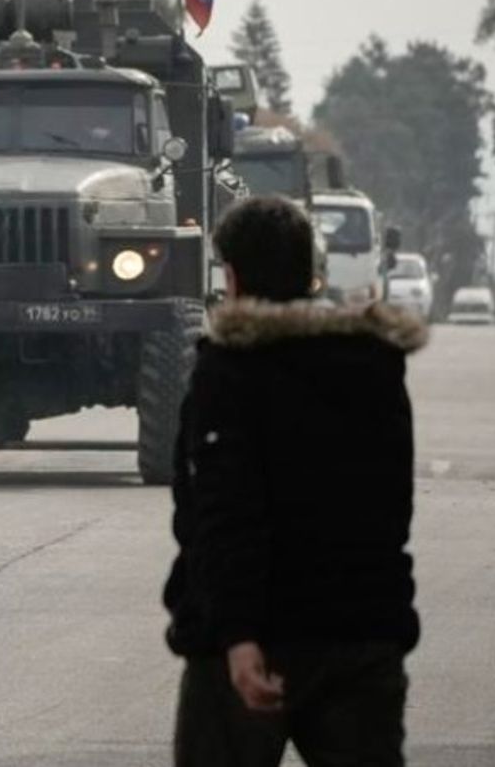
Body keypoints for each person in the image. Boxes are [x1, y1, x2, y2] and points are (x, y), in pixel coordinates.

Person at [166, 195, 425, 767]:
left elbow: (222, 513)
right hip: (362, 634)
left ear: (230, 276)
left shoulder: (229, 371)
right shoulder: (374, 368)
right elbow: (391, 510)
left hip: (251, 649)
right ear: (312, 274)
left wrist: (237, 635)